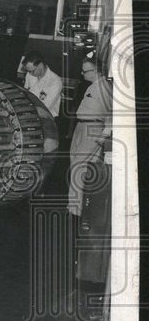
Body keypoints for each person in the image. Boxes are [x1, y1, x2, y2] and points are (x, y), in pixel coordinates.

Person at [68, 58, 112, 217]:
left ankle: (76, 209)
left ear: (96, 71)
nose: (82, 73)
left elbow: (113, 114)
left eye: (85, 71)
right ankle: (79, 207)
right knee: (77, 164)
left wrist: (105, 134)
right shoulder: (94, 86)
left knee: (78, 166)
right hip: (82, 127)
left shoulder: (104, 88)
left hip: (92, 128)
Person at [21, 52, 63, 117]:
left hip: (46, 118)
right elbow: (26, 94)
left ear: (41, 65)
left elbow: (45, 108)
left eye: (32, 71)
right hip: (29, 113)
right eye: (28, 71)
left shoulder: (55, 81)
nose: (30, 74)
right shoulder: (29, 75)